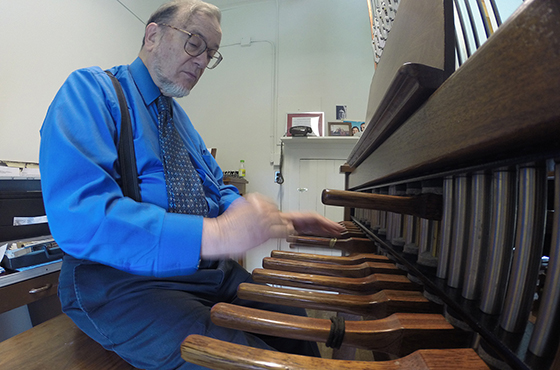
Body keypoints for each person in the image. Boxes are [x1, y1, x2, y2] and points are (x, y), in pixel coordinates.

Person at [39, 1, 344, 369]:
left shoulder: (180, 121)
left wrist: (269, 219)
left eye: (211, 53)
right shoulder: (91, 91)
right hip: (121, 283)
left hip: (203, 274)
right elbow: (80, 217)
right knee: (253, 361)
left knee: (297, 322)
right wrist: (217, 235)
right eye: (194, 43)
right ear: (153, 35)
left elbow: (219, 188)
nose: (202, 62)